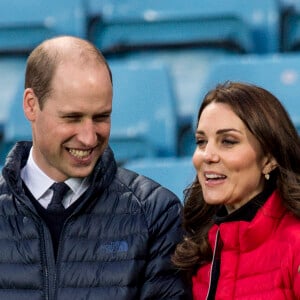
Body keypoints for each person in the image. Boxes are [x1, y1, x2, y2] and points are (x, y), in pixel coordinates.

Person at [0, 36, 191, 300]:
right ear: (31, 105)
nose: (89, 138)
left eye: (101, 117)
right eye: (72, 118)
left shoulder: (155, 212)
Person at [172, 81, 300, 299]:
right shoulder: (195, 250)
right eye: (201, 141)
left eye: (228, 141)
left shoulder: (296, 244)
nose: (207, 155)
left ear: (269, 159)